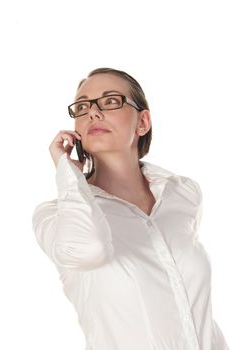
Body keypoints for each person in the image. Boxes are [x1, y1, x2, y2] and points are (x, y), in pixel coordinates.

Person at [32, 67, 230, 350]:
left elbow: (199, 314)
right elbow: (89, 249)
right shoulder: (56, 216)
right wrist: (67, 174)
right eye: (83, 106)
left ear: (143, 122)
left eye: (110, 101)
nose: (93, 113)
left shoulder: (182, 194)